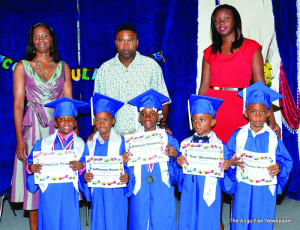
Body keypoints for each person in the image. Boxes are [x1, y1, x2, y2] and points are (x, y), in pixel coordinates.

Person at [12, 22, 73, 229]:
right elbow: (19, 104)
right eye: (36, 37)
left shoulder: (63, 66)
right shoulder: (22, 66)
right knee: (35, 178)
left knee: (57, 176)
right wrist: (20, 139)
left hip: (59, 128)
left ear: (51, 38)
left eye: (45, 36)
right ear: (32, 41)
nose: (41, 40)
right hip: (33, 129)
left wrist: (75, 134)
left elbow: (68, 103)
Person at [198, 4, 281, 144]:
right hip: (214, 110)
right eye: (216, 20)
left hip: (241, 109)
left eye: (226, 18)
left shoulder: (252, 48)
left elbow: (260, 86)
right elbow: (203, 89)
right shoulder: (209, 52)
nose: (221, 23)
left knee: (241, 153)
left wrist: (271, 119)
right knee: (217, 156)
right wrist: (199, 116)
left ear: (235, 20)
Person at [227, 82, 293, 230]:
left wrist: (279, 167)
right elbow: (228, 155)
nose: (258, 116)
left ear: (269, 114)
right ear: (245, 113)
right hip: (243, 186)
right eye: (253, 112)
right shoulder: (238, 135)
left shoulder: (273, 138)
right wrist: (231, 162)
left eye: (263, 112)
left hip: (264, 188)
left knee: (261, 219)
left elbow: (285, 160)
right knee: (240, 218)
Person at [93, 24, 170, 136]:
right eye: (121, 41)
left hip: (146, 136)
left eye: (130, 40)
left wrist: (163, 125)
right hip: (114, 136)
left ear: (137, 42)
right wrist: (96, 132)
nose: (126, 46)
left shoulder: (151, 67)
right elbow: (99, 104)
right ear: (116, 43)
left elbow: (163, 100)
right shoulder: (105, 70)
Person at [26, 97, 88, 230]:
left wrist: (81, 167)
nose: (67, 122)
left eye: (71, 119)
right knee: (50, 221)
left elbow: (87, 166)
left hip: (69, 190)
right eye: (62, 119)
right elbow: (30, 163)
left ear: (75, 123)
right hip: (49, 190)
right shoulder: (43, 143)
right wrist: (31, 168)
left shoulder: (81, 145)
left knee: (69, 222)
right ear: (55, 123)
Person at [123, 89, 179, 230]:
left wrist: (174, 157)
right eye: (144, 114)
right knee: (139, 221)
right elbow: (126, 172)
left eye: (152, 114)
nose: (148, 118)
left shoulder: (169, 139)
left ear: (159, 117)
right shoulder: (131, 142)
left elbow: (176, 176)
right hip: (140, 189)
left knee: (162, 220)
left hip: (162, 188)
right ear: (139, 118)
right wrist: (124, 162)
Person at [176, 95, 230, 230]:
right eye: (194, 120)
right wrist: (179, 162)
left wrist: (227, 167)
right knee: (189, 217)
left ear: (212, 122)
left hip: (209, 189)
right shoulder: (185, 144)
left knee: (207, 219)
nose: (197, 123)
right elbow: (178, 176)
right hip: (190, 188)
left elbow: (228, 175)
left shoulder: (220, 146)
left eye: (202, 119)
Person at [81, 93, 134, 230]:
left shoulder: (122, 141)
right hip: (98, 191)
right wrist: (84, 176)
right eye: (98, 120)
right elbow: (83, 165)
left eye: (106, 120)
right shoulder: (90, 143)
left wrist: (127, 176)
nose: (102, 124)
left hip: (116, 192)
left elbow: (130, 166)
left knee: (117, 221)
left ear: (113, 121)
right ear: (94, 121)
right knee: (99, 221)